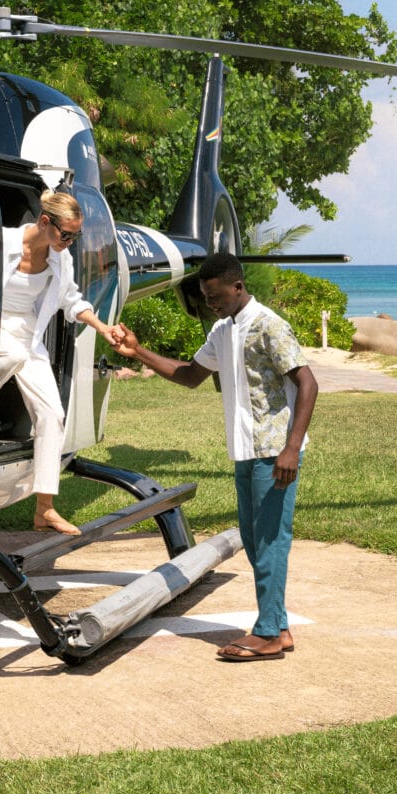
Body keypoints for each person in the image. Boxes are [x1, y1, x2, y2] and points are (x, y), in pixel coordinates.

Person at [112, 254, 317, 661]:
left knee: (271, 541)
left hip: (274, 453)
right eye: (206, 298)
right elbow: (190, 374)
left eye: (216, 296)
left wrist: (292, 447)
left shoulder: (268, 326)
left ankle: (267, 634)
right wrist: (138, 352)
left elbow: (308, 384)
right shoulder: (224, 331)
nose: (211, 304)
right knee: (257, 542)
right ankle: (277, 626)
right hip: (245, 451)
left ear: (237, 287)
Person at [0, 191, 119, 535]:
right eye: (65, 234)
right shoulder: (2, 242)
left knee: (53, 414)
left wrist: (103, 328)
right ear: (44, 222)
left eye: (75, 236)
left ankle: (45, 509)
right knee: (9, 358)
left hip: (27, 334)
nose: (69, 242)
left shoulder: (60, 259)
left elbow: (71, 301)